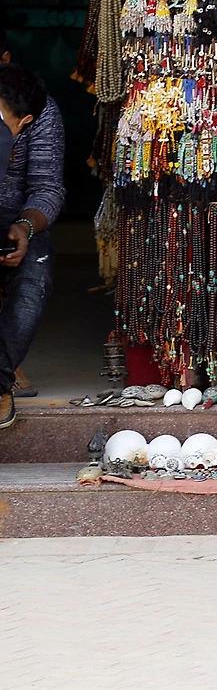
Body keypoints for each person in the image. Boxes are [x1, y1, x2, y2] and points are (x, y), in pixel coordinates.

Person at [0, 63, 65, 429]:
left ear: (25, 121)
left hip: (14, 220)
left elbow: (47, 186)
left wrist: (24, 226)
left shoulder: (41, 112)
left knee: (33, 279)